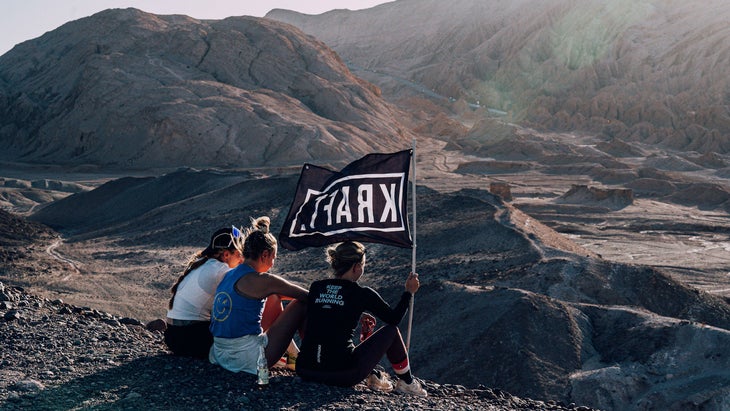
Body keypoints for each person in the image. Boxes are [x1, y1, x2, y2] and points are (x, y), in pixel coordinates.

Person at [296, 241, 427, 397]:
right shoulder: (361, 293)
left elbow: (324, 318)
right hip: (341, 375)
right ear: (356, 266)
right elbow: (394, 319)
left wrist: (357, 312)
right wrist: (408, 292)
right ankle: (407, 382)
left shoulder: (316, 287)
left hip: (305, 370)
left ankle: (375, 375)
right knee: (391, 331)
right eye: (363, 265)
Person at [209, 216, 308, 375]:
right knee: (301, 305)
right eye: (274, 257)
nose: (273, 263)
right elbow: (306, 296)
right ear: (265, 255)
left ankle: (294, 358)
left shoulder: (230, 274)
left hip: (219, 353)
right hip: (247, 358)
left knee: (273, 297)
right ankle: (312, 360)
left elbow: (275, 294)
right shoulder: (263, 280)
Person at [165, 226, 244, 359]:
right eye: (239, 255)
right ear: (226, 255)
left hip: (173, 337)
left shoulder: (202, 263)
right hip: (194, 340)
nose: (241, 260)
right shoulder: (220, 270)